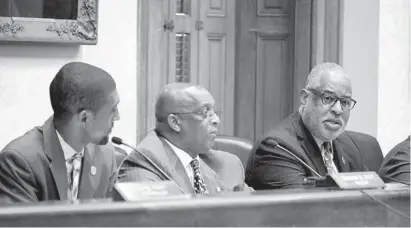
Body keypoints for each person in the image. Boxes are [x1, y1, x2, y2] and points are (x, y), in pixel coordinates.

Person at [0, 62, 120, 203]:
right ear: (84, 118)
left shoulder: (105, 155)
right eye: (112, 109)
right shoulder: (19, 162)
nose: (117, 117)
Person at [245, 62, 376, 190]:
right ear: (305, 98)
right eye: (328, 98)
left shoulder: (349, 146)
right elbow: (305, 208)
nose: (338, 109)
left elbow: (371, 199)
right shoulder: (277, 149)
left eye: (345, 102)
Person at [118, 83, 252, 194]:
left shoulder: (228, 164)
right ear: (175, 122)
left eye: (214, 112)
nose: (216, 120)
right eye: (205, 113)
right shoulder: (144, 163)